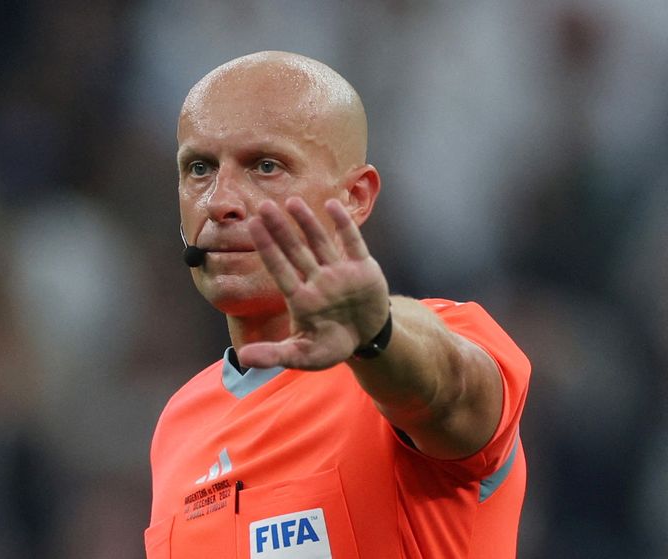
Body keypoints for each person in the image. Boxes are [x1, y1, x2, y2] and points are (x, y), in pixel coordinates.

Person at [146, 51, 530, 559]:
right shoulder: (177, 425)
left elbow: (448, 388)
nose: (221, 202)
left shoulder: (429, 344)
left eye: (265, 166)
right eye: (200, 168)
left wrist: (376, 337)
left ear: (355, 196)